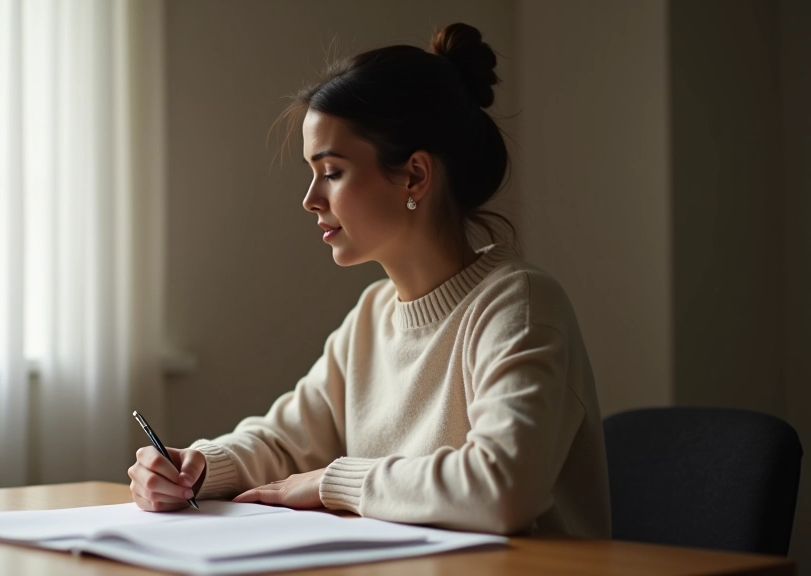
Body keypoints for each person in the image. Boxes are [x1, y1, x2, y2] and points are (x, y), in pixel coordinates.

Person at [128, 22, 611, 537]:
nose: (310, 199)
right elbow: (284, 441)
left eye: (332, 171)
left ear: (415, 176)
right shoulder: (372, 316)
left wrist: (332, 483)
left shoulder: (520, 304)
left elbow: (502, 487)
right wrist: (197, 466)